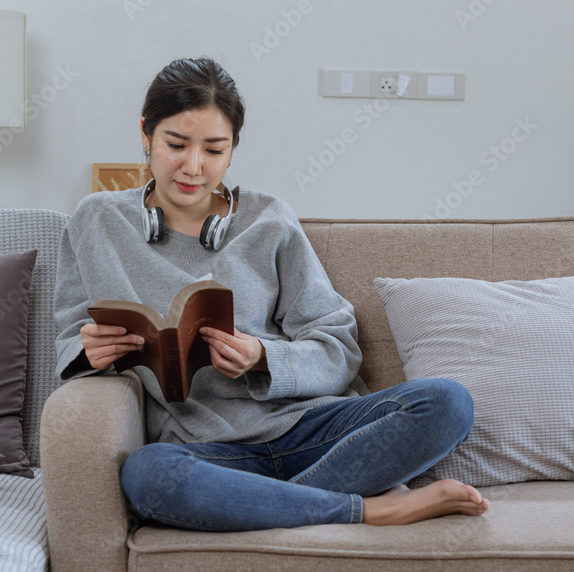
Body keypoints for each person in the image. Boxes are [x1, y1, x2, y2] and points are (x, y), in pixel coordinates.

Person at [53, 57, 489, 532]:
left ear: (233, 149)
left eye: (214, 150)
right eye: (176, 144)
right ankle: (365, 507)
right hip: (208, 450)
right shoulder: (96, 221)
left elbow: (338, 348)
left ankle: (267, 504)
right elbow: (69, 338)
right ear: (146, 134)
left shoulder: (270, 220)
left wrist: (263, 357)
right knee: (148, 476)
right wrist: (88, 350)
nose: (193, 167)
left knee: (447, 403)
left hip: (313, 430)